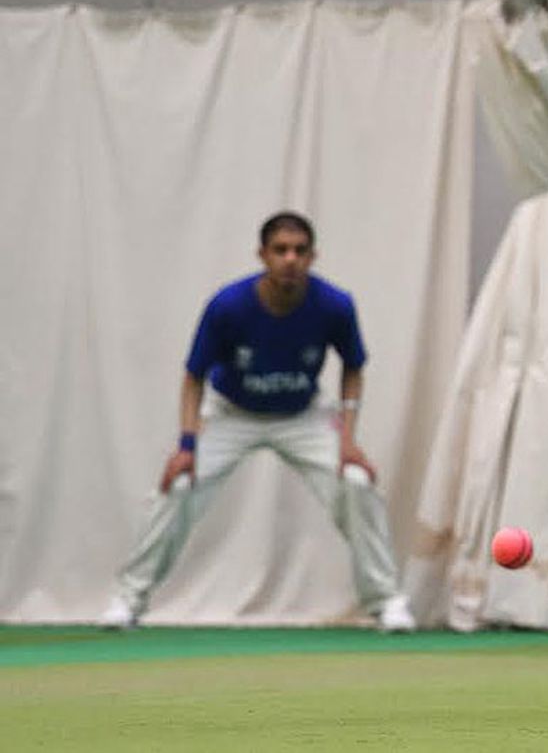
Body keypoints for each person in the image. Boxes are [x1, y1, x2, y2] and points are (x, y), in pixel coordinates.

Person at [100, 211, 414, 633]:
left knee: (356, 482)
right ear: (262, 255)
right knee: (178, 487)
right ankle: (128, 600)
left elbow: (353, 368)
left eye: (300, 251)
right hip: (232, 413)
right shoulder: (228, 306)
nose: (290, 259)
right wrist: (187, 447)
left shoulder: (334, 305)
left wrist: (349, 440)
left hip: (302, 414)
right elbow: (193, 377)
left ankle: (387, 602)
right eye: (280, 250)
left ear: (313, 256)